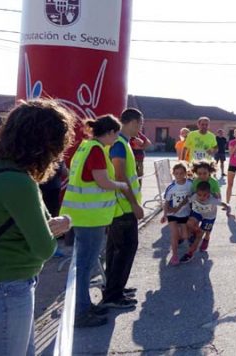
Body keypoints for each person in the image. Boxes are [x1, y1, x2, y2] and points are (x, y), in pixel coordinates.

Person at [0, 100, 75, 352]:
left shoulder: (0, 171)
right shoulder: (19, 182)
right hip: (9, 286)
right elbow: (44, 248)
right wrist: (60, 227)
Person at [60, 115, 129, 328]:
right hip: (90, 218)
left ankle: (84, 305)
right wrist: (121, 185)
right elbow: (103, 181)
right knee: (85, 266)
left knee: (84, 265)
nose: (116, 139)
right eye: (116, 134)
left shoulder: (85, 146)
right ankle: (81, 312)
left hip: (81, 215)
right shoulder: (97, 150)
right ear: (110, 132)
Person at [101, 109, 146, 311]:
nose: (140, 128)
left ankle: (114, 287)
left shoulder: (122, 142)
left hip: (120, 207)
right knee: (124, 250)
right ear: (133, 122)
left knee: (116, 250)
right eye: (140, 124)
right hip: (123, 208)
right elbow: (120, 175)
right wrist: (135, 204)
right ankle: (113, 294)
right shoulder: (119, 144)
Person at [180, 181, 233, 264]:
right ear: (196, 193)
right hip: (198, 212)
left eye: (205, 195)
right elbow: (186, 200)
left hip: (209, 217)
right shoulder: (194, 196)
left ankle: (190, 253)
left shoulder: (213, 200)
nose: (202, 197)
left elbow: (226, 205)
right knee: (189, 223)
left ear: (209, 194)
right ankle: (195, 233)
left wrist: (228, 212)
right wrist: (177, 208)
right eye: (199, 195)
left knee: (199, 235)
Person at [161, 163, 192, 266]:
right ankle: (174, 256)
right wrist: (164, 215)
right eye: (176, 173)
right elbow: (166, 202)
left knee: (185, 235)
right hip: (172, 213)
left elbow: (193, 196)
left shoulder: (190, 184)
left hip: (185, 213)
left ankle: (186, 238)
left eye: (181, 173)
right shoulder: (171, 187)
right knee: (174, 235)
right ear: (173, 174)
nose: (179, 176)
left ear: (185, 173)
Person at [189, 160, 221, 252]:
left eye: (205, 173)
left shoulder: (214, 182)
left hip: (210, 210)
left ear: (209, 172)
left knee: (207, 228)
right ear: (196, 173)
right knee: (192, 223)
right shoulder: (196, 181)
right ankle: (195, 233)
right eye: (199, 174)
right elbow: (193, 193)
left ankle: (207, 238)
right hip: (197, 207)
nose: (202, 176)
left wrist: (215, 197)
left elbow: (218, 196)